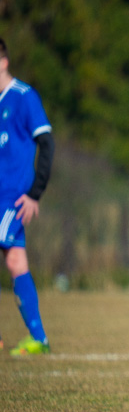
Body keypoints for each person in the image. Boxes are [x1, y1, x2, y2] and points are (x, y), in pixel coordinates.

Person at [0, 38, 56, 356]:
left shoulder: (23, 97)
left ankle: (38, 338)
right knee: (15, 259)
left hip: (12, 197)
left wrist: (35, 193)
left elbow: (46, 143)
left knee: (14, 259)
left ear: (4, 61)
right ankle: (38, 337)